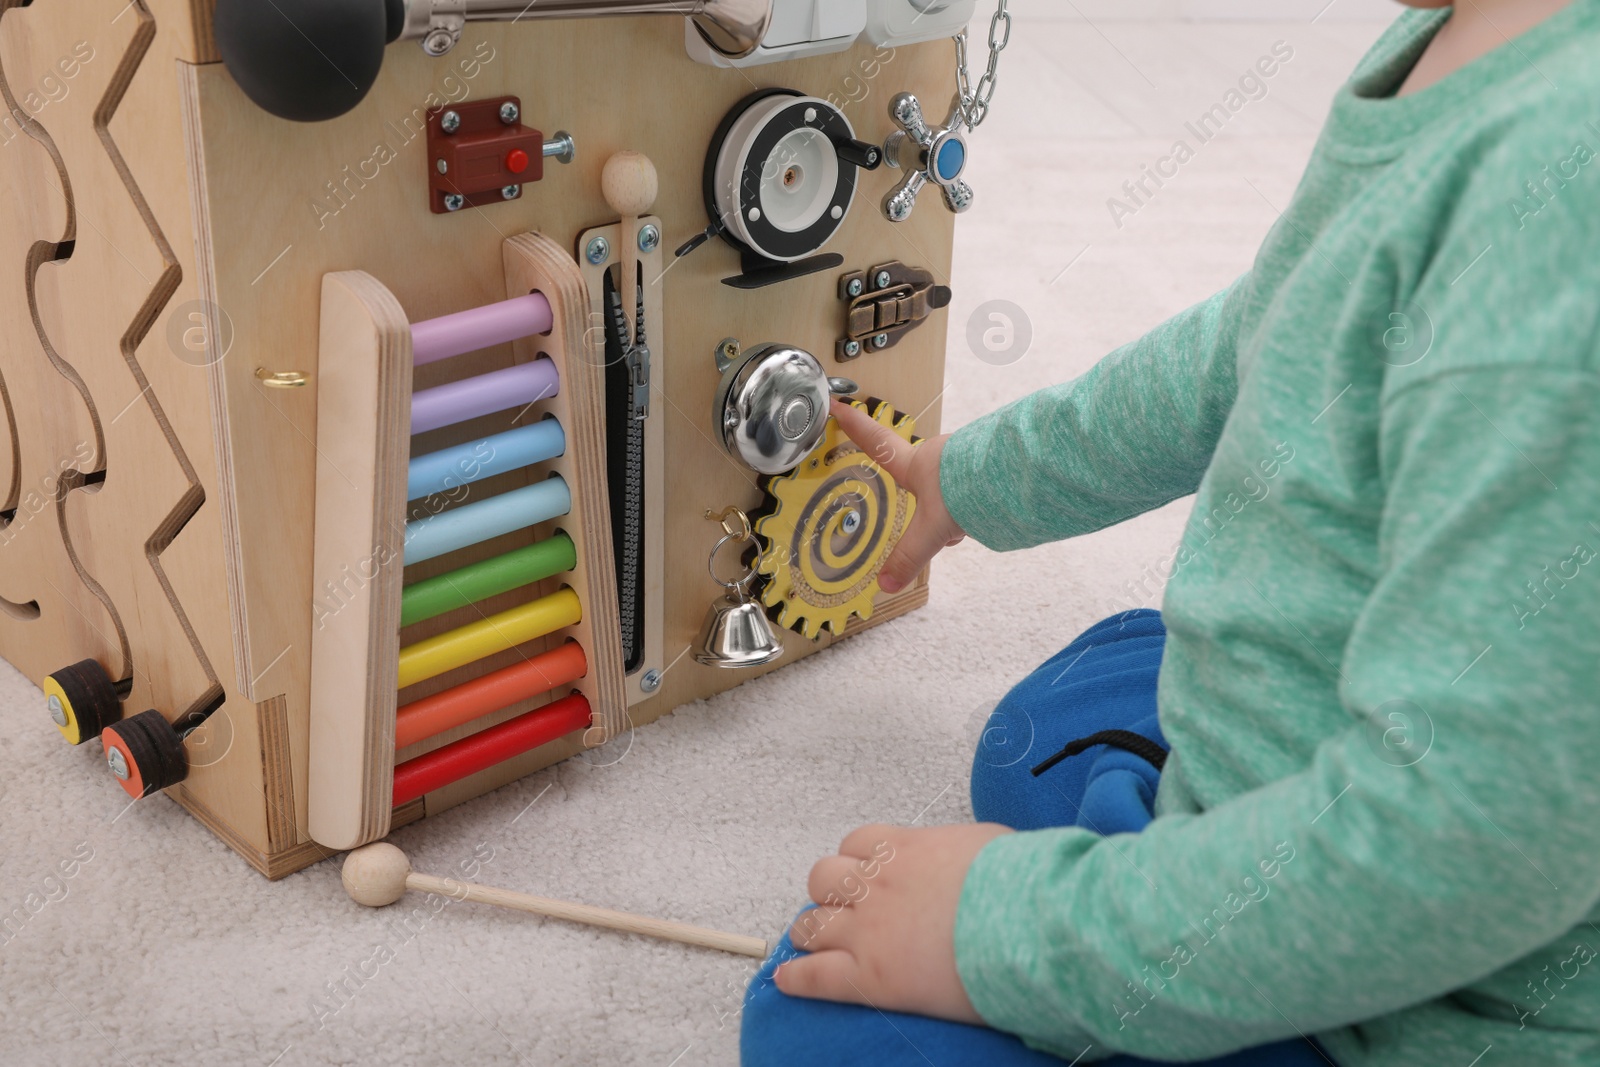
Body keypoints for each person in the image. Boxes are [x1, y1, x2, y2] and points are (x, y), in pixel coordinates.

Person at [740, 1, 1600, 1063]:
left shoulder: (1562, 193)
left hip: (1424, 994)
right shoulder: (1458, 38)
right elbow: (1261, 338)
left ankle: (1171, 900)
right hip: (1345, 744)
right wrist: (973, 476)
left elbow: (1472, 849)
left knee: (809, 1018)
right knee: (1073, 698)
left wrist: (1000, 932)